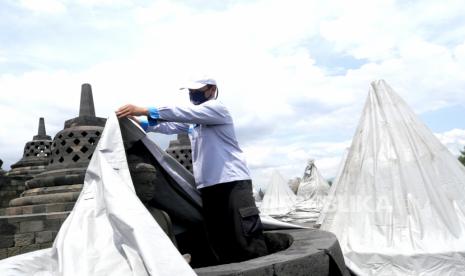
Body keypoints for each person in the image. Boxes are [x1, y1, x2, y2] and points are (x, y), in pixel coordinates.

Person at [116, 77, 268, 264]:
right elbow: (170, 125)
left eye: (197, 90)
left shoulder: (217, 109)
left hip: (232, 181)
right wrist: (141, 123)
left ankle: (261, 266)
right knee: (219, 234)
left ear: (212, 90)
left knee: (245, 231)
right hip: (209, 185)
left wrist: (144, 109)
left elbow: (183, 113)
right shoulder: (194, 123)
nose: (192, 94)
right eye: (190, 91)